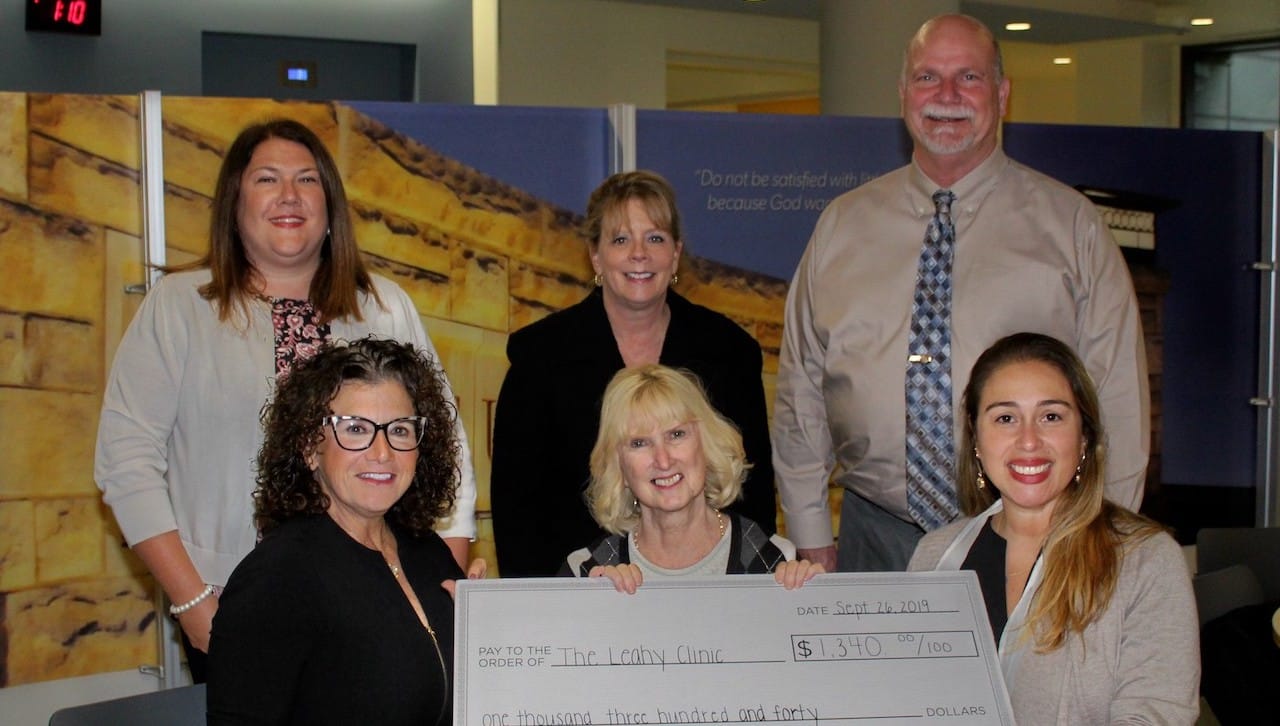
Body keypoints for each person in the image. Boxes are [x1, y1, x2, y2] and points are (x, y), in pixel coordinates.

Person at [94, 119, 477, 682]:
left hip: (379, 600)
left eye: (307, 180)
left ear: (330, 206)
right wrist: (192, 603)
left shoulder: (385, 308)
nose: (290, 196)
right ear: (234, 202)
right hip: (231, 602)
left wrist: (444, 580)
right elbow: (125, 463)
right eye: (267, 179)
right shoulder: (178, 308)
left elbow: (445, 450)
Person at [772, 13, 1148, 573]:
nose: (946, 95)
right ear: (903, 94)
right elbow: (802, 387)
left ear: (1001, 94)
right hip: (874, 536)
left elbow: (1116, 394)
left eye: (968, 78)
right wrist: (808, 530)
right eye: (928, 78)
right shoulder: (841, 226)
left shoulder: (1072, 228)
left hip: (1034, 535)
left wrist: (1102, 538)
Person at [492, 170, 776, 577]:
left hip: (712, 591)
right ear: (595, 255)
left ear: (676, 254)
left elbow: (755, 495)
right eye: (621, 239)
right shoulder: (538, 358)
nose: (639, 254)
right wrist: (548, 610)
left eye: (655, 238)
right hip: (580, 595)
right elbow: (517, 513)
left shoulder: (731, 352)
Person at [908, 333, 1198, 724]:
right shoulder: (932, 555)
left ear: (1084, 438)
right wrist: (804, 596)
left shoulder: (1145, 560)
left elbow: (1158, 714)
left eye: (1051, 416)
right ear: (976, 439)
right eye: (1005, 418)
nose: (1029, 441)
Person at [207, 337, 469, 725]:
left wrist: (485, 624)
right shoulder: (276, 579)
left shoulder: (427, 552)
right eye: (356, 428)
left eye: (399, 430)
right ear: (310, 446)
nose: (382, 452)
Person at [564, 365, 820, 592]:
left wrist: (813, 598)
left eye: (676, 435)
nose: (663, 460)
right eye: (639, 443)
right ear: (619, 468)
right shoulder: (586, 572)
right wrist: (596, 611)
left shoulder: (775, 560)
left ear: (706, 445)